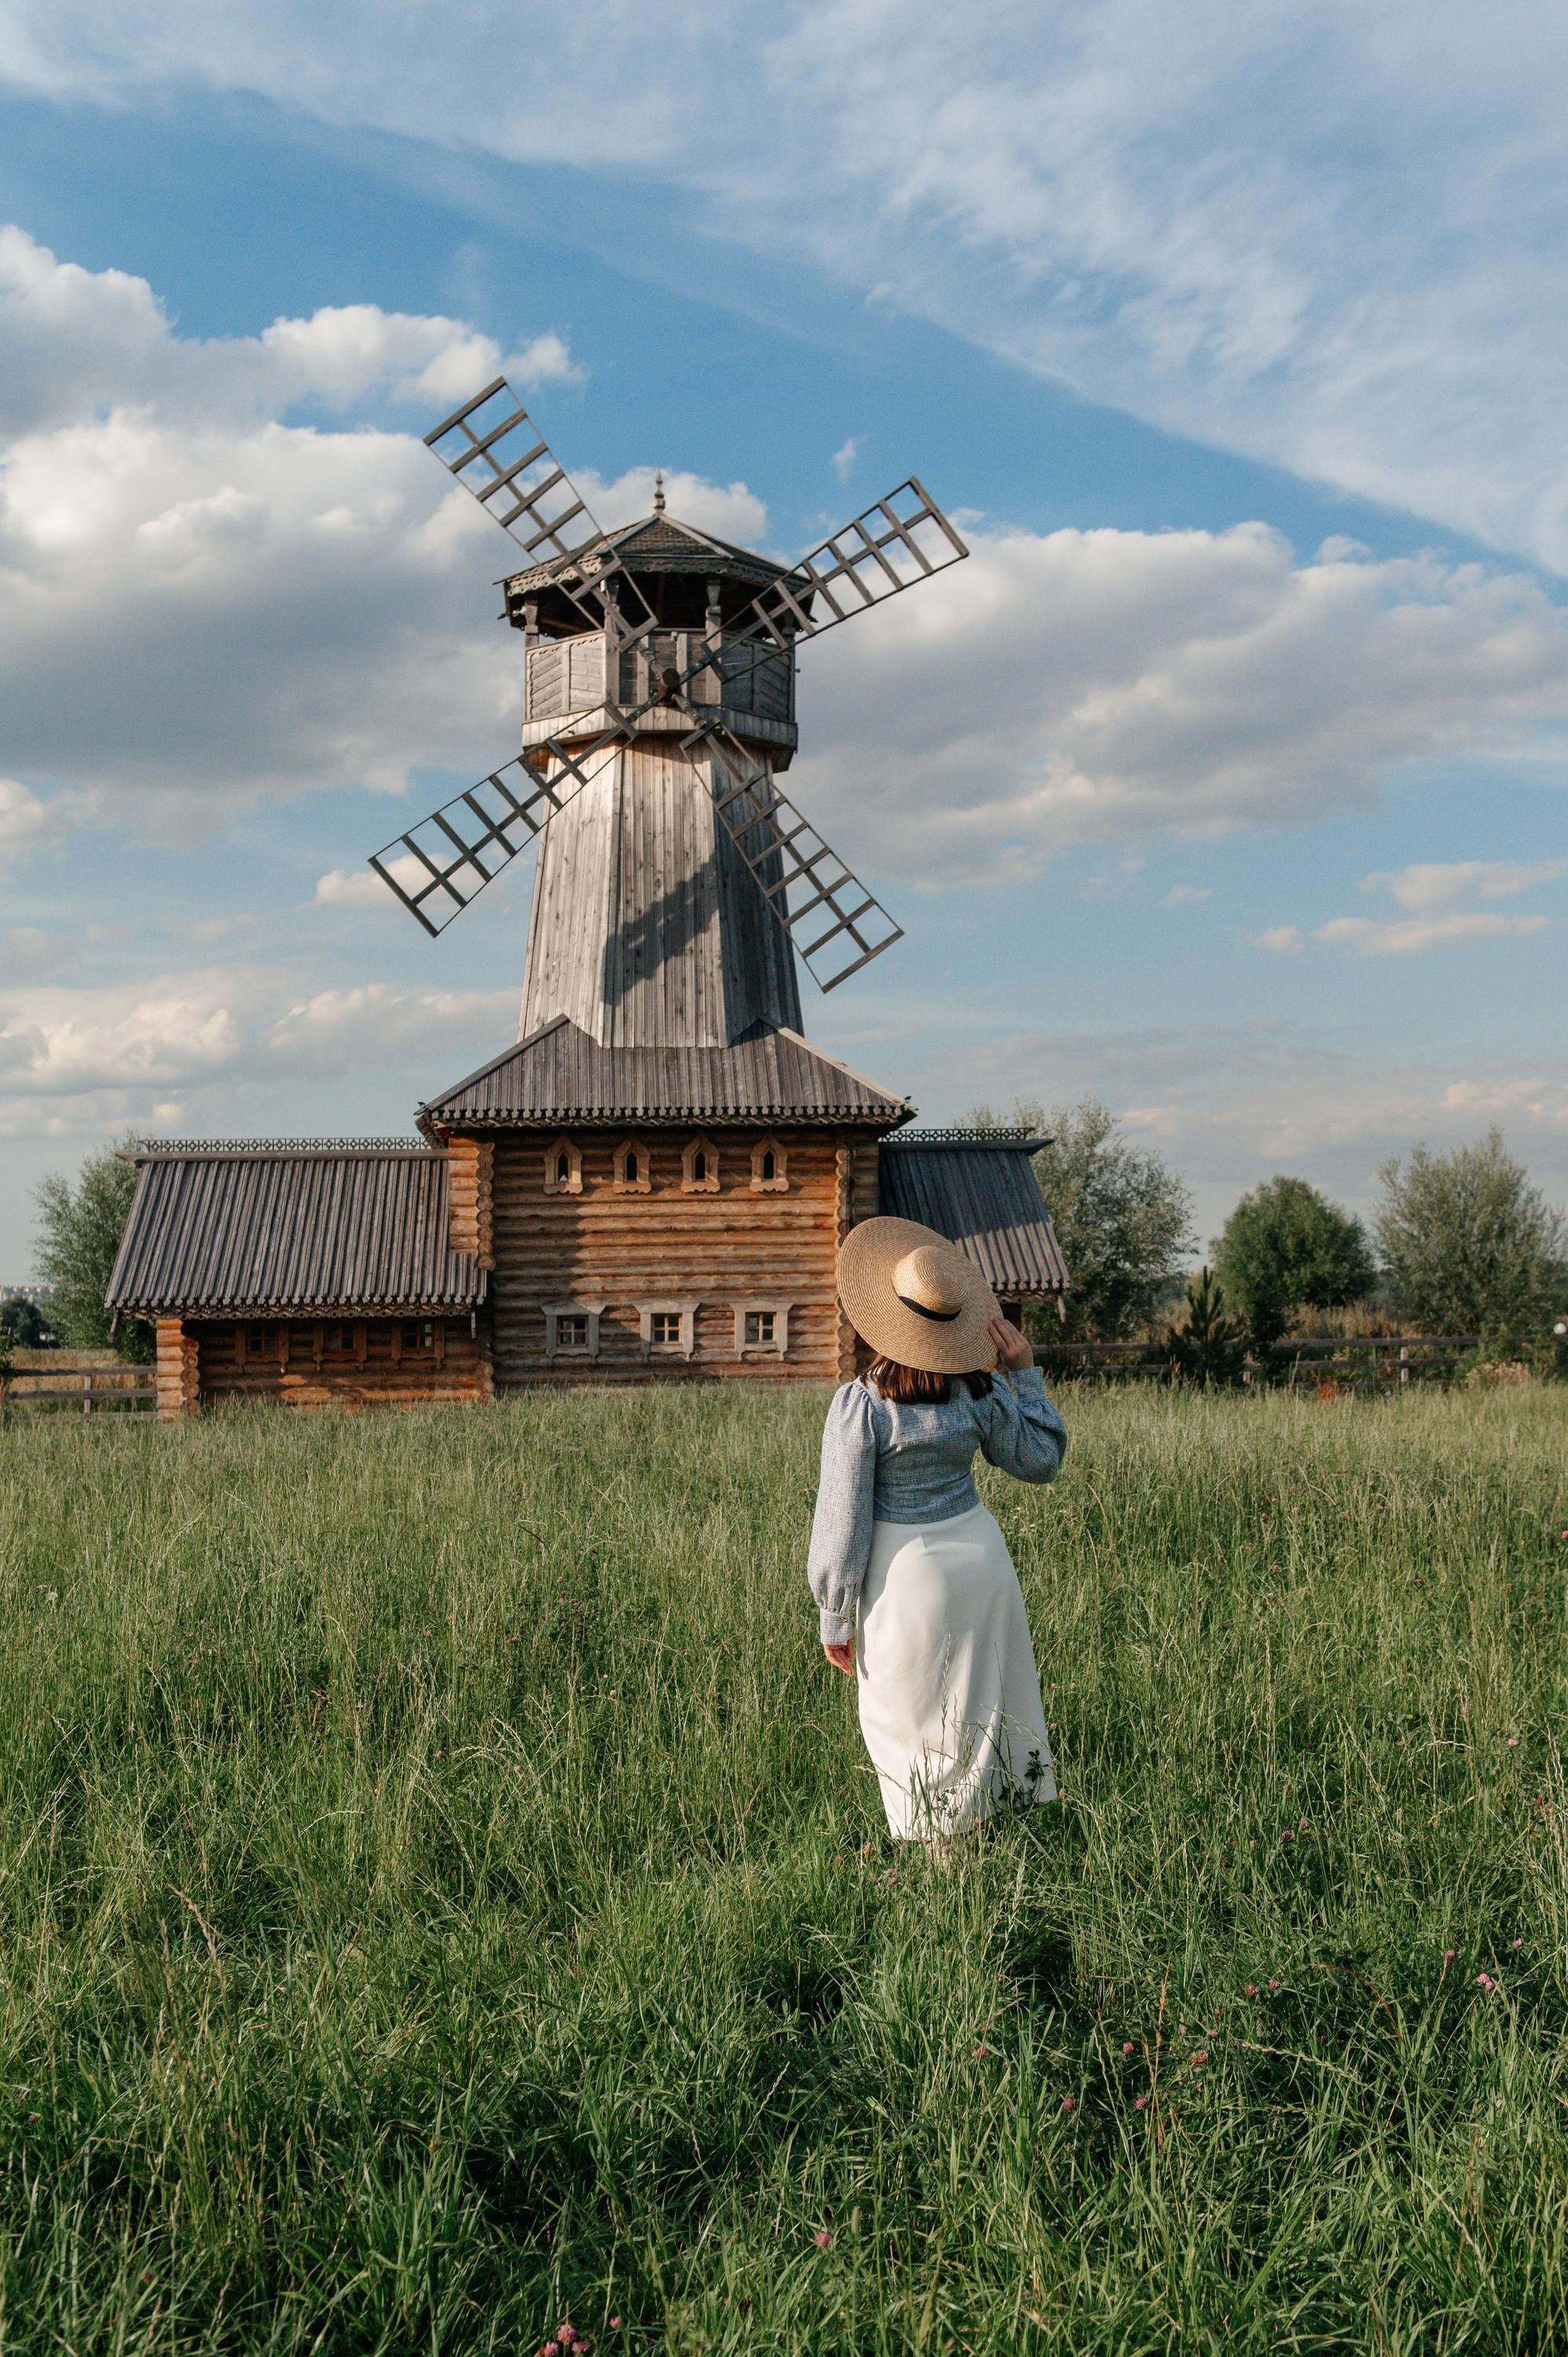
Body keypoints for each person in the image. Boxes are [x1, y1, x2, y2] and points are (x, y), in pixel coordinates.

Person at [808, 1218, 1068, 1842]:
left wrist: (833, 1617)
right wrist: (1024, 1372)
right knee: (982, 1709)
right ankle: (987, 1834)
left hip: (908, 1576)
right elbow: (1041, 1460)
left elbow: (842, 1526)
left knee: (909, 1718)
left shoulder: (863, 1406)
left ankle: (941, 1861)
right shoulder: (979, 1392)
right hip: (981, 1561)